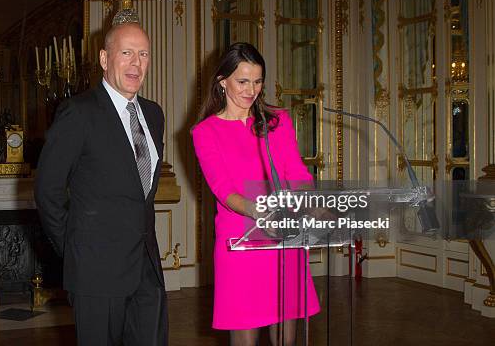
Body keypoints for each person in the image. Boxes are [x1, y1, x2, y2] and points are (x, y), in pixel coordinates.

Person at [35, 21, 168, 346]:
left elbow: (140, 193)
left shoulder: (153, 114)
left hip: (147, 269)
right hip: (95, 271)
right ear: (105, 59)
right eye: (127, 53)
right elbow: (47, 191)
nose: (136, 63)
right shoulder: (78, 113)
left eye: (144, 54)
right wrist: (75, 249)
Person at [191, 43, 320, 346]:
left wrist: (312, 203)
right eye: (243, 81)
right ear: (222, 81)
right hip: (241, 240)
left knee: (286, 339)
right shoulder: (205, 132)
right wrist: (257, 210)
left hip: (283, 235)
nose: (252, 90)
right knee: (245, 336)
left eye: (258, 81)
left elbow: (297, 172)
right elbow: (222, 189)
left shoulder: (277, 121)